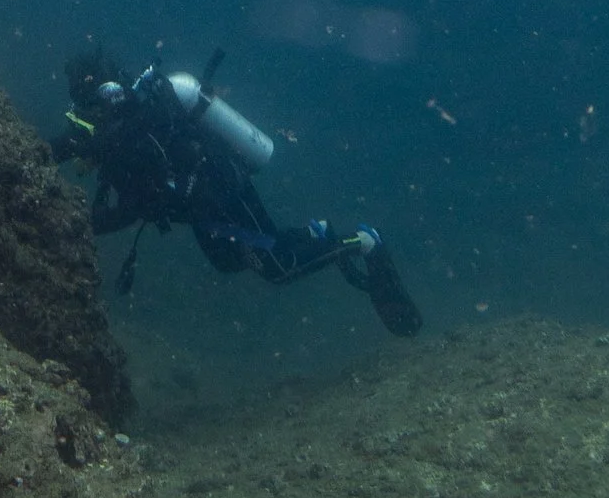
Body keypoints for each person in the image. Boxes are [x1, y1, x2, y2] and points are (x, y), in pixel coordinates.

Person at [53, 51, 422, 334]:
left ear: (103, 102)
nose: (84, 125)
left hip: (222, 192)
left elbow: (128, 210)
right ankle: (316, 234)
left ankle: (363, 242)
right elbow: (73, 150)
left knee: (278, 270)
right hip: (204, 208)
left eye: (86, 113)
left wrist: (74, 223)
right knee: (230, 262)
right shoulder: (123, 131)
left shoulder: (126, 135)